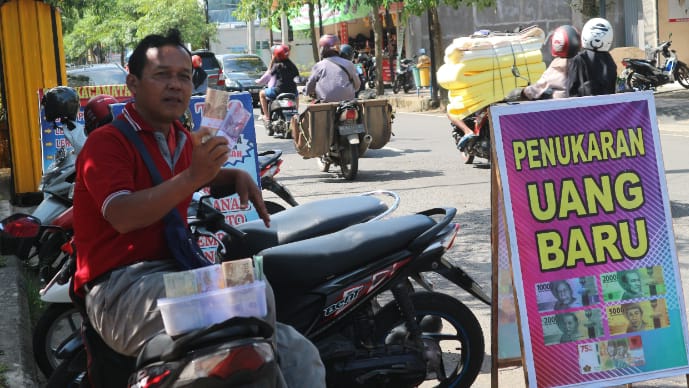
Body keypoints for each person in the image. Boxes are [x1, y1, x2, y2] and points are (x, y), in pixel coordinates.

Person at [72, 28, 325, 387]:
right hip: (123, 291)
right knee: (253, 302)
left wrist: (230, 175)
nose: (175, 85)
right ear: (133, 82)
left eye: (183, 77)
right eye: (162, 75)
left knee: (293, 342)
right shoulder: (106, 144)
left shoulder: (179, 137)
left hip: (173, 276)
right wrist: (193, 177)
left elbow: (185, 176)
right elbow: (123, 215)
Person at [522, 24, 581, 100]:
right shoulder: (583, 61)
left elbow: (535, 90)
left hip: (561, 109)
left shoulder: (556, 67)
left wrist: (520, 92)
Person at [567, 17, 618, 96]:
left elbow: (571, 90)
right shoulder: (608, 59)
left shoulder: (579, 59)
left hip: (584, 106)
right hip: (607, 106)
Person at [305, 34, 361, 102]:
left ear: (322, 49)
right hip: (347, 102)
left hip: (326, 103)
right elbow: (357, 85)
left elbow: (310, 85)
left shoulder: (318, 66)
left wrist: (306, 92)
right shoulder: (349, 64)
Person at [258, 44, 300, 122]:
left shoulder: (277, 66)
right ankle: (296, 112)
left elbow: (268, 75)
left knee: (261, 94)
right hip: (292, 91)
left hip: (278, 91)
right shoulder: (293, 66)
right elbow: (298, 78)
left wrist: (259, 81)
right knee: (296, 94)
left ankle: (266, 117)